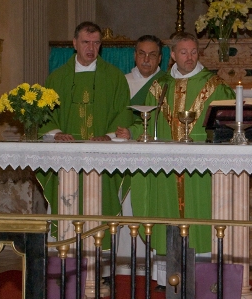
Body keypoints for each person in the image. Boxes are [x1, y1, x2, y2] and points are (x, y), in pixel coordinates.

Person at [116, 32, 235, 290]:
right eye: (184, 52)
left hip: (201, 169)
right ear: (173, 55)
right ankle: (168, 276)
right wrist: (133, 132)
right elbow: (147, 121)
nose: (190, 57)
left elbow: (227, 122)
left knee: (200, 218)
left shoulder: (215, 85)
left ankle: (201, 278)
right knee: (168, 215)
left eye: (194, 52)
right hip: (167, 168)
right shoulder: (161, 86)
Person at [36, 21, 133, 239]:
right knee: (67, 207)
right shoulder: (57, 78)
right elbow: (45, 115)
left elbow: (124, 111)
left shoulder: (115, 77)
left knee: (100, 207)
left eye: (96, 43)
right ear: (74, 43)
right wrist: (56, 133)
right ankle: (65, 256)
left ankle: (102, 261)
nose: (91, 48)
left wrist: (108, 136)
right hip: (66, 156)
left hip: (102, 155)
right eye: (86, 42)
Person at [116, 35, 166, 274]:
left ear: (160, 58)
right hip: (125, 156)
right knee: (126, 206)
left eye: (152, 54)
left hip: (156, 157)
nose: (146, 59)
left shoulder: (167, 84)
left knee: (152, 206)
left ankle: (154, 268)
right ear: (134, 55)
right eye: (142, 54)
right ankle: (124, 266)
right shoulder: (120, 82)